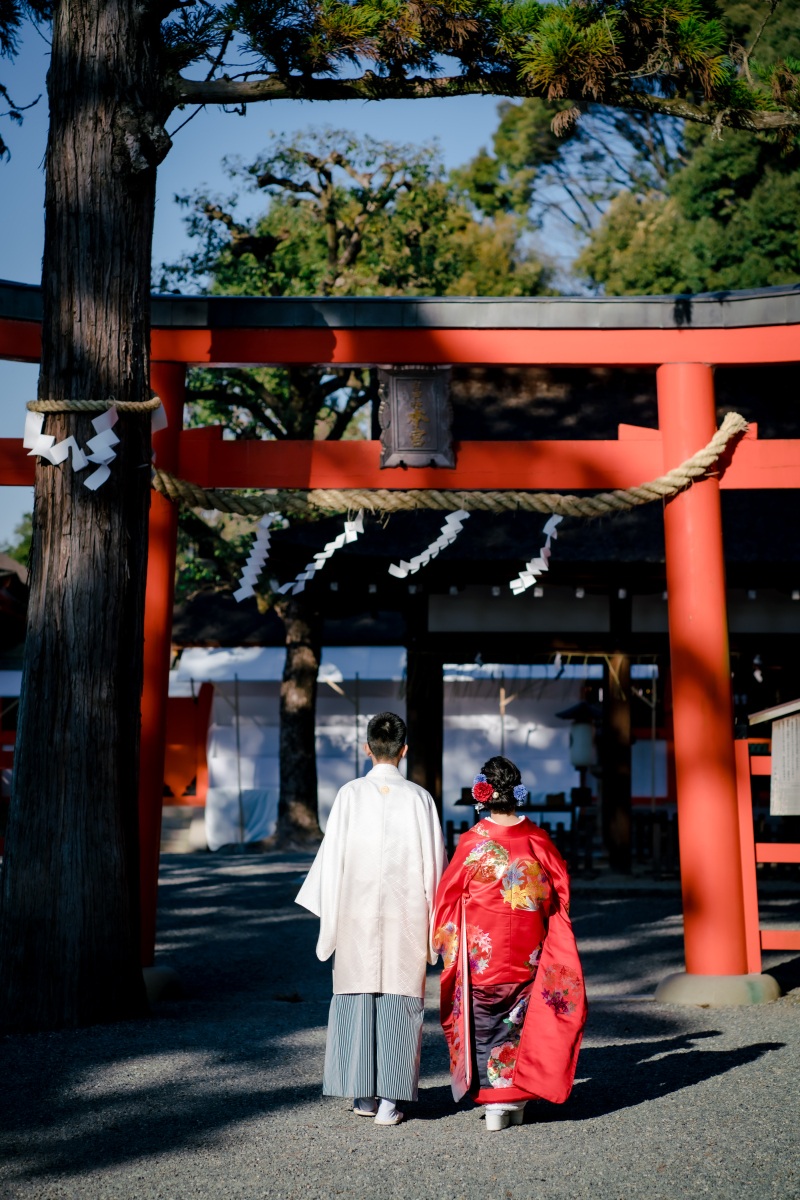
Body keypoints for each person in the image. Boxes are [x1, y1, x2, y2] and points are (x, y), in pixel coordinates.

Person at [296, 711, 447, 1126]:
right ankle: (389, 1102)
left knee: (357, 993)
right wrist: (439, 921)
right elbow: (435, 865)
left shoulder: (349, 794)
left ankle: (362, 1094)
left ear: (367, 748)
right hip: (406, 913)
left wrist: (330, 915)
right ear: (404, 750)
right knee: (400, 998)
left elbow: (331, 863)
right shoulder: (419, 798)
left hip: (356, 910)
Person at [432, 755, 586, 1131]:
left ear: (482, 794)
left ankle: (497, 1103)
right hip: (529, 953)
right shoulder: (537, 839)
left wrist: (443, 940)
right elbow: (562, 891)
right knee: (521, 1022)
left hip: (483, 955)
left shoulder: (473, 843)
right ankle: (517, 1096)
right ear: (517, 794)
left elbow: (446, 899)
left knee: (486, 1024)